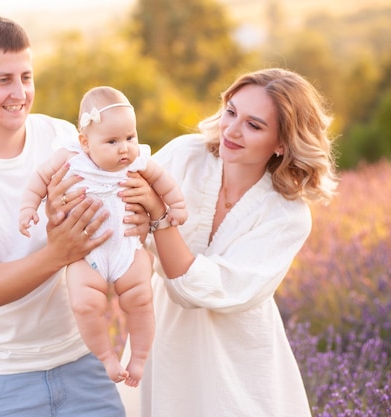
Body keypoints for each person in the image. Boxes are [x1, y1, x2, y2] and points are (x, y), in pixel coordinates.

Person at [0, 15, 148, 417]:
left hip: (83, 358)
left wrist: (146, 215)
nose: (19, 93)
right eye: (3, 80)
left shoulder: (62, 138)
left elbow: (132, 182)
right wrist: (60, 252)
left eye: (26, 77)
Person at [121, 68, 338, 416]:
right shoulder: (185, 155)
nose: (232, 130)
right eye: (231, 111)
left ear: (282, 143)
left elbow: (199, 289)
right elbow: (122, 208)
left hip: (237, 357)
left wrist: (159, 217)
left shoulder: (286, 216)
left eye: (254, 125)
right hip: (164, 338)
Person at [19, 86, 187, 387]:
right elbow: (40, 180)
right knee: (85, 305)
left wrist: (176, 206)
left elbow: (164, 181)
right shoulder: (70, 156)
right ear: (85, 142)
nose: (125, 148)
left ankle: (139, 357)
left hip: (126, 248)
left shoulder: (137, 162)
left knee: (141, 299)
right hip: (86, 254)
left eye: (130, 137)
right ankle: (106, 356)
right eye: (112, 141)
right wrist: (29, 207)